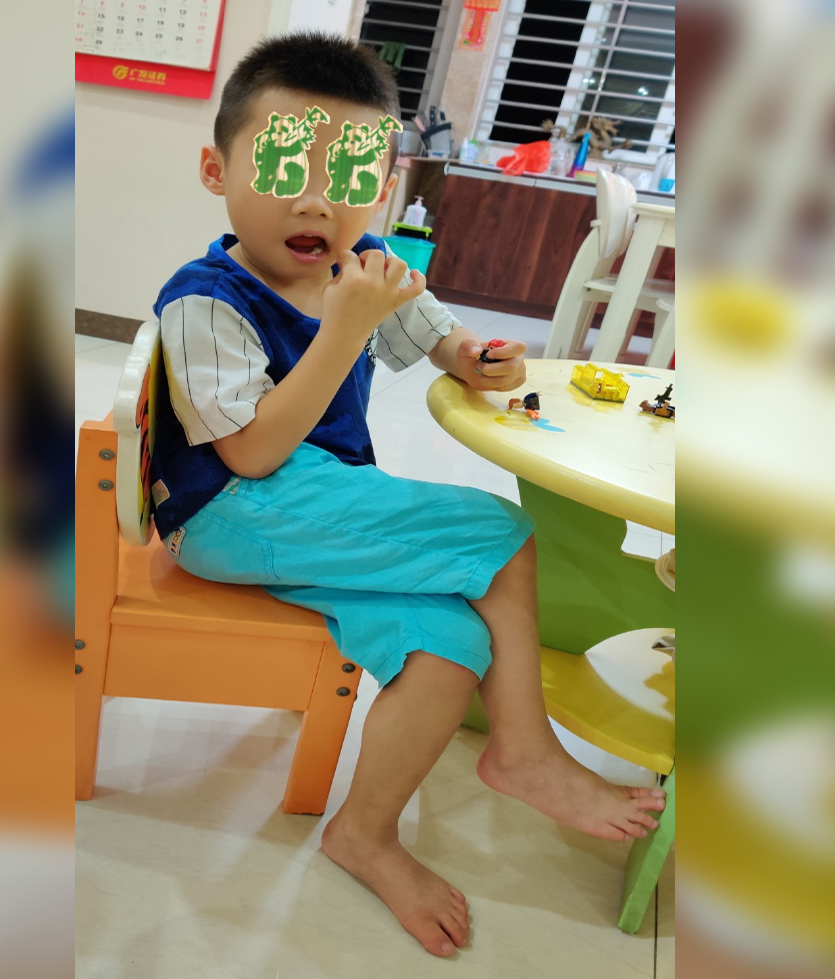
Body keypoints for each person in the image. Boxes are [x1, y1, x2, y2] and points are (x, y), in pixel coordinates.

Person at [149, 32, 666, 959]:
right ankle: (525, 750)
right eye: (283, 168)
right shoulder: (205, 299)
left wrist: (479, 358)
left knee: (449, 642)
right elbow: (253, 455)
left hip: (303, 512)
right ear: (215, 170)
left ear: (383, 186)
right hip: (225, 513)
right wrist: (345, 327)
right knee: (498, 531)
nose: (316, 200)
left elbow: (440, 337)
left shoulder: (367, 264)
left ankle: (364, 833)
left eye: (349, 175)